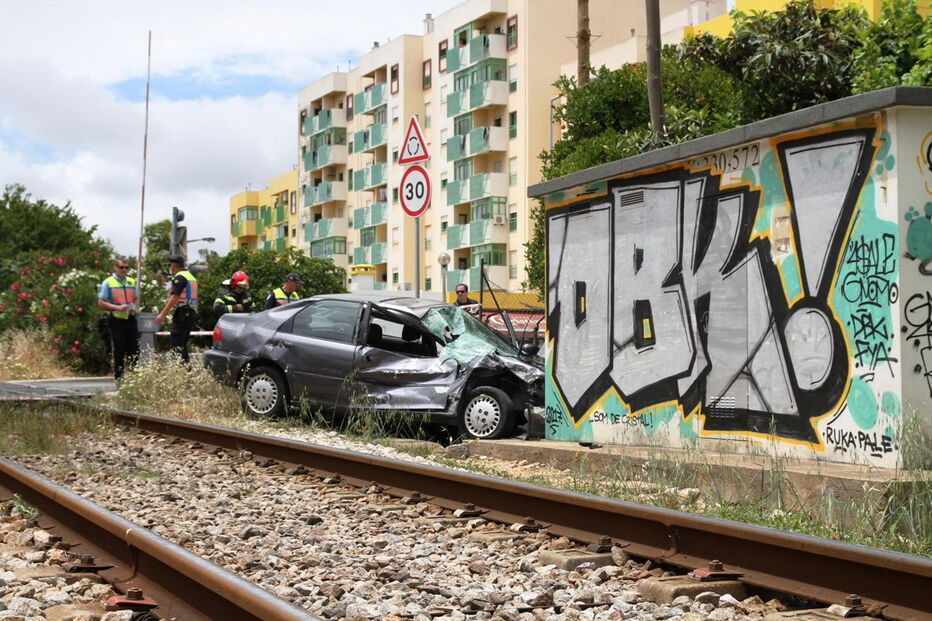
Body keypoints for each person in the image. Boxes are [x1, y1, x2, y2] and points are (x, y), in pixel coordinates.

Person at [97, 259, 139, 380]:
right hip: (116, 319)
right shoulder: (108, 282)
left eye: (126, 268)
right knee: (119, 350)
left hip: (130, 318)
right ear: (115, 268)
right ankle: (119, 378)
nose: (124, 270)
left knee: (134, 349)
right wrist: (117, 308)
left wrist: (134, 307)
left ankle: (134, 378)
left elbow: (135, 298)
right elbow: (101, 302)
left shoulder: (131, 281)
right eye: (121, 267)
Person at [155, 255, 199, 364]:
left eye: (170, 265)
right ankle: (186, 373)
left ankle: (181, 372)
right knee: (182, 345)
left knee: (176, 346)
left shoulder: (179, 277)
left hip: (182, 314)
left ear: (173, 265)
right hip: (191, 313)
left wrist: (162, 315)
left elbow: (174, 298)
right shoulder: (190, 276)